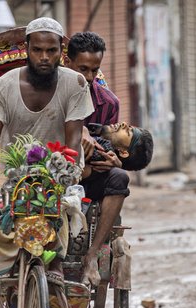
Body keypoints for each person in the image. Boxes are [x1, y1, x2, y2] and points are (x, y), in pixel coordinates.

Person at [0, 17, 93, 283]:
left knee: (54, 200)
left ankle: (56, 262)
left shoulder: (76, 84)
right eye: (37, 50)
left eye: (51, 51)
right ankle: (3, 265)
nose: (44, 57)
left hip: (61, 165)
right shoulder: (3, 87)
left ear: (61, 50)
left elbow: (72, 141)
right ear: (27, 48)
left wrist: (64, 174)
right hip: (15, 170)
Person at [64, 31, 131, 286]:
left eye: (95, 70)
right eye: (83, 69)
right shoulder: (51, 90)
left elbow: (111, 144)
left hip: (89, 175)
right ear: (68, 63)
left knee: (119, 178)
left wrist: (113, 159)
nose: (89, 77)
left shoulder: (108, 103)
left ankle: (91, 255)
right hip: (52, 171)